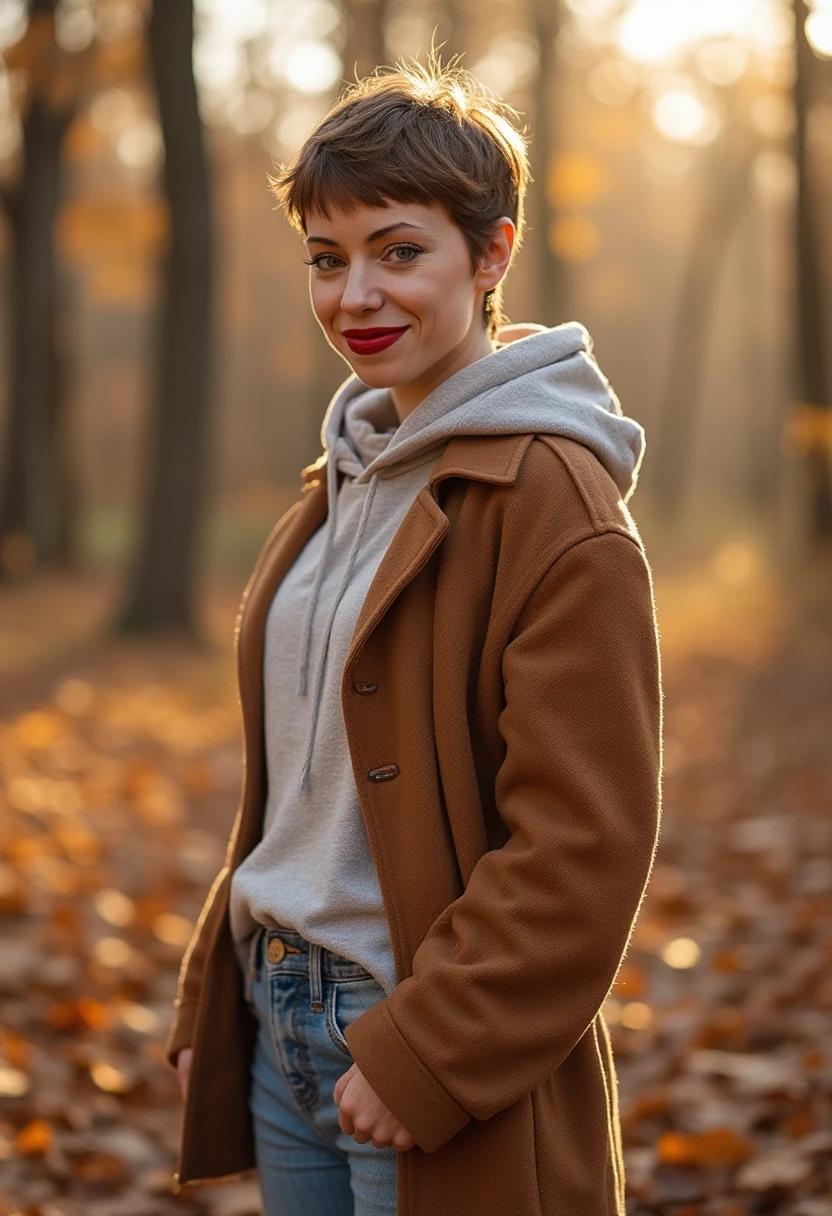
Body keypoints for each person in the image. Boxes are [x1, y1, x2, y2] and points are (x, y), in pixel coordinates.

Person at [166, 53, 663, 1216]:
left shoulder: (550, 498)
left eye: (400, 251)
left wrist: (426, 1047)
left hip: (427, 1038)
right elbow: (292, 792)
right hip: (280, 1020)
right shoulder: (335, 482)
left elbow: (581, 847)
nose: (356, 296)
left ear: (490, 256)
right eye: (326, 261)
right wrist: (218, 1003)